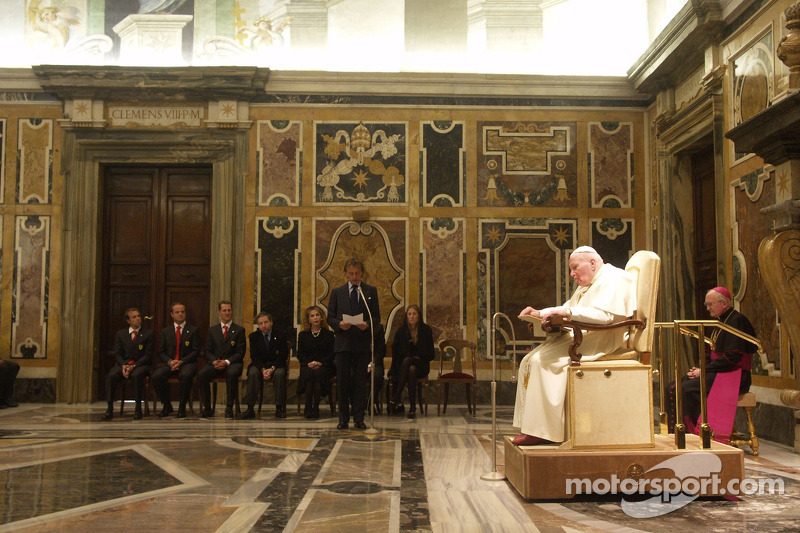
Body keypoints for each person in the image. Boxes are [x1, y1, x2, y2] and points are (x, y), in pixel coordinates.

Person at [512, 246, 636, 445]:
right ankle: (532, 427)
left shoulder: (615, 278)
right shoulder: (588, 284)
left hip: (602, 337)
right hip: (586, 333)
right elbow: (569, 307)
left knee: (542, 361)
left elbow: (605, 317)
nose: (572, 274)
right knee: (529, 359)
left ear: (592, 263)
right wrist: (541, 313)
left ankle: (543, 432)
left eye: (575, 267)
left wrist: (566, 314)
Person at [668, 287, 756, 435]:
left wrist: (703, 371)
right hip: (719, 371)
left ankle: (701, 430)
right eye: (706, 305)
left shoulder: (737, 321)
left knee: (687, 388)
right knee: (673, 385)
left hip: (735, 375)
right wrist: (697, 368)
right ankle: (676, 432)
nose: (708, 308)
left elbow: (731, 358)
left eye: (710, 304)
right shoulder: (719, 323)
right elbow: (709, 353)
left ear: (724, 303)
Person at [327, 257, 381, 430]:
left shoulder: (370, 291)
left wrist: (367, 324)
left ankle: (359, 417)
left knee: (360, 382)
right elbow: (330, 317)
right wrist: (339, 325)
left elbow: (376, 317)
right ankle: (343, 418)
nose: (354, 276)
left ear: (362, 274)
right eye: (351, 273)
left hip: (361, 344)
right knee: (342, 382)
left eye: (357, 273)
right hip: (343, 344)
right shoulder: (338, 292)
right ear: (346, 274)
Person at [103, 308, 155, 420]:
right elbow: (118, 353)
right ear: (128, 321)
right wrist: (124, 365)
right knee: (112, 375)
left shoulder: (148, 334)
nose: (138, 319)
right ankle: (109, 408)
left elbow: (148, 355)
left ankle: (138, 409)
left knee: (137, 375)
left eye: (139, 316)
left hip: (141, 365)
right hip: (124, 364)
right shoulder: (121, 334)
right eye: (134, 317)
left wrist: (134, 366)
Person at [198, 300, 246, 419]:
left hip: (232, 363)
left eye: (229, 310)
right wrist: (214, 361)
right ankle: (207, 408)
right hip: (215, 363)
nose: (227, 313)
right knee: (201, 374)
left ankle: (229, 407)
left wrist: (226, 362)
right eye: (224, 310)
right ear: (219, 312)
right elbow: (208, 351)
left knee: (232, 373)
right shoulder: (212, 330)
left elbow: (240, 352)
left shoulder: (239, 330)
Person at [151, 302, 200, 418]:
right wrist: (170, 361)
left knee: (186, 375)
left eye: (182, 312)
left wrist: (181, 361)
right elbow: (161, 352)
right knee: (156, 376)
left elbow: (196, 351)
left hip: (187, 363)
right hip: (168, 363)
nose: (180, 314)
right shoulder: (165, 332)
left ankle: (182, 407)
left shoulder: (193, 330)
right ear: (172, 314)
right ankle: (167, 405)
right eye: (177, 312)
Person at [388, 305, 434, 419]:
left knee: (409, 361)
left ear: (419, 316)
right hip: (404, 367)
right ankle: (412, 408)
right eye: (409, 314)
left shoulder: (426, 330)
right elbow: (396, 353)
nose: (412, 316)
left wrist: (416, 356)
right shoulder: (401, 331)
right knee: (411, 369)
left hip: (422, 365)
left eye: (414, 314)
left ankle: (396, 397)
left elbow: (430, 354)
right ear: (406, 316)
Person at [241, 312, 288, 419]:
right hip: (259, 365)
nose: (263, 325)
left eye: (266, 322)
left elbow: (282, 355)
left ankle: (279, 408)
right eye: (260, 323)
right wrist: (263, 370)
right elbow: (254, 357)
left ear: (271, 322)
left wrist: (272, 369)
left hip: (276, 365)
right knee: (252, 373)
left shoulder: (281, 334)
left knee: (280, 374)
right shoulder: (253, 336)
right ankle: (250, 408)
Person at [296, 305, 335, 419]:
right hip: (307, 365)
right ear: (308, 319)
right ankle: (308, 406)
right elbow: (300, 354)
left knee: (317, 374)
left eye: (317, 315)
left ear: (322, 318)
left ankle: (316, 406)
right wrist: (309, 363)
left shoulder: (329, 335)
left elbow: (332, 354)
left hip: (324, 365)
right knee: (309, 373)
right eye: (312, 316)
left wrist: (320, 363)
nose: (315, 318)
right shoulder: (303, 335)